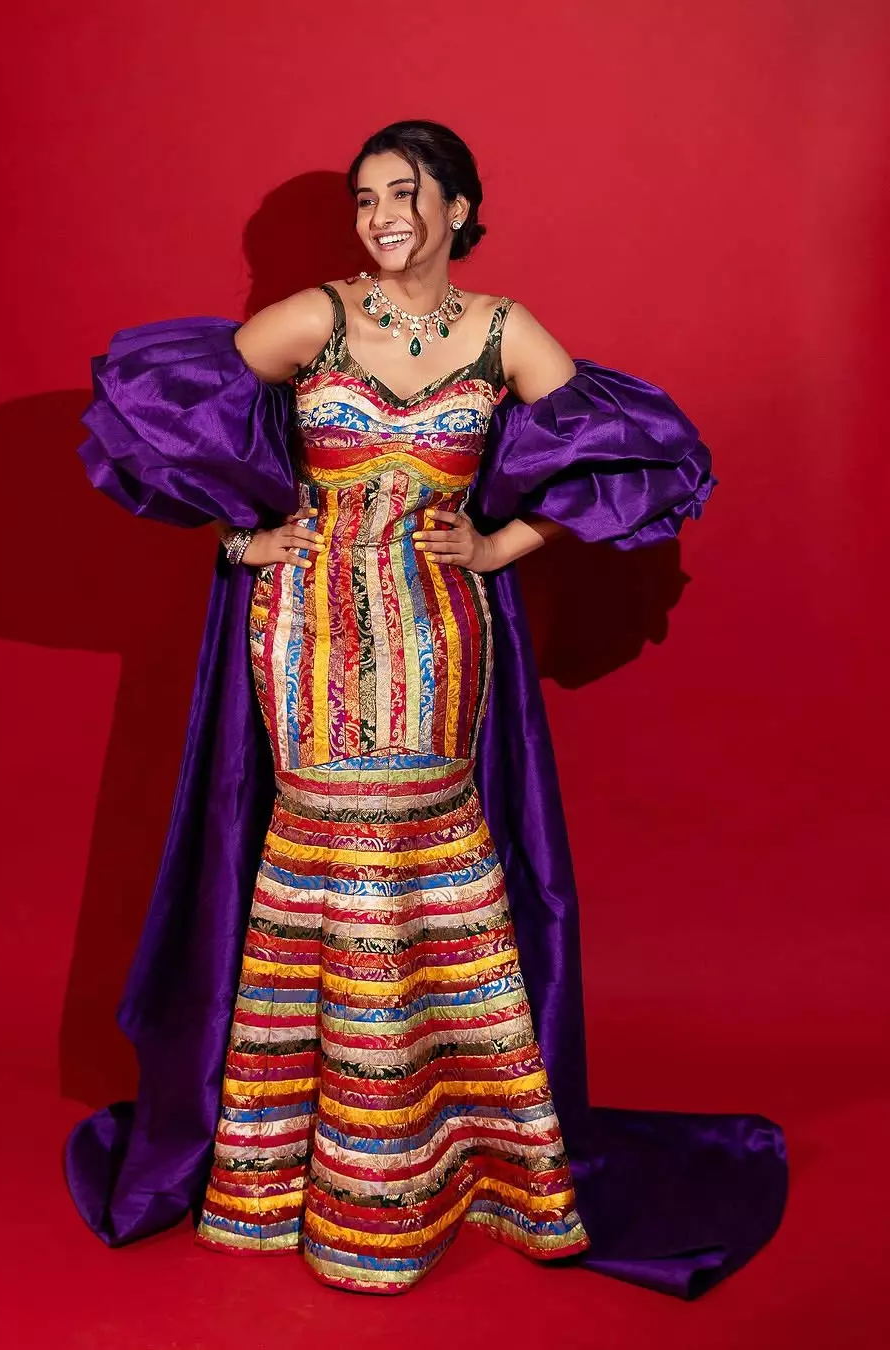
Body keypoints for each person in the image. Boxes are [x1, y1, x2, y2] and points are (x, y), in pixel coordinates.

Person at [65, 121, 787, 1298]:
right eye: (365, 198)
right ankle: (294, 1181)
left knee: (421, 864)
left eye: (405, 194)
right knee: (332, 865)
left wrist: (503, 544)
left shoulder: (504, 332)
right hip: (305, 634)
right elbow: (160, 415)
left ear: (458, 208)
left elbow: (643, 454)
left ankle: (449, 1166)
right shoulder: (316, 317)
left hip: (442, 634)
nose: (382, 216)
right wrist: (243, 541)